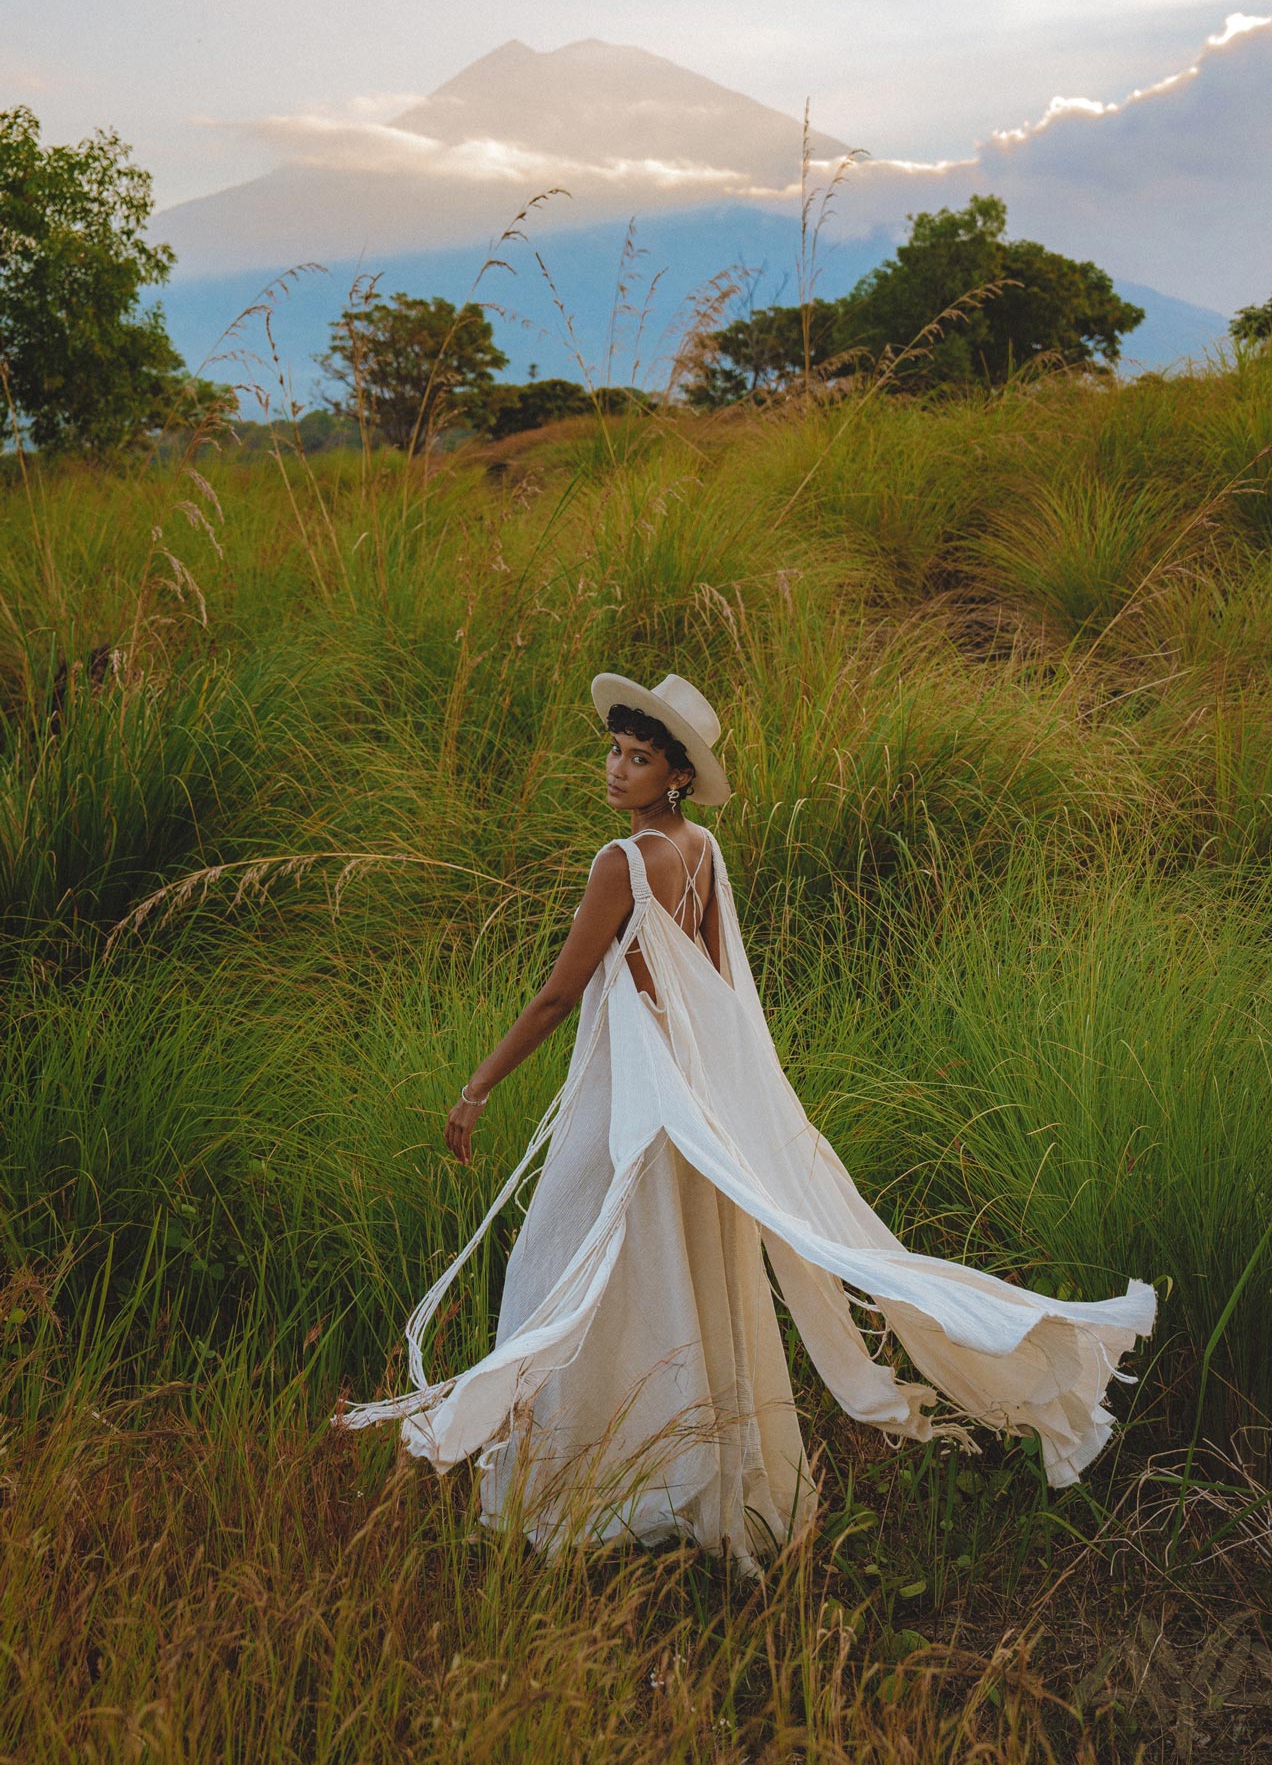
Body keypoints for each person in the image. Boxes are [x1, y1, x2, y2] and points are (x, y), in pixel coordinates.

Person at [333, 671, 1156, 1573]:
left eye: (638, 759)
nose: (616, 769)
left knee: (559, 1271)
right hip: (688, 1103)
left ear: (677, 776)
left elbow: (558, 996)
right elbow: (719, 991)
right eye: (614, 751)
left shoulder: (622, 862)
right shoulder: (701, 851)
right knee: (670, 1279)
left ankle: (579, 1488)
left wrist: (477, 1088)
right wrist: (725, 1112)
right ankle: (663, 1477)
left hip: (634, 1104)